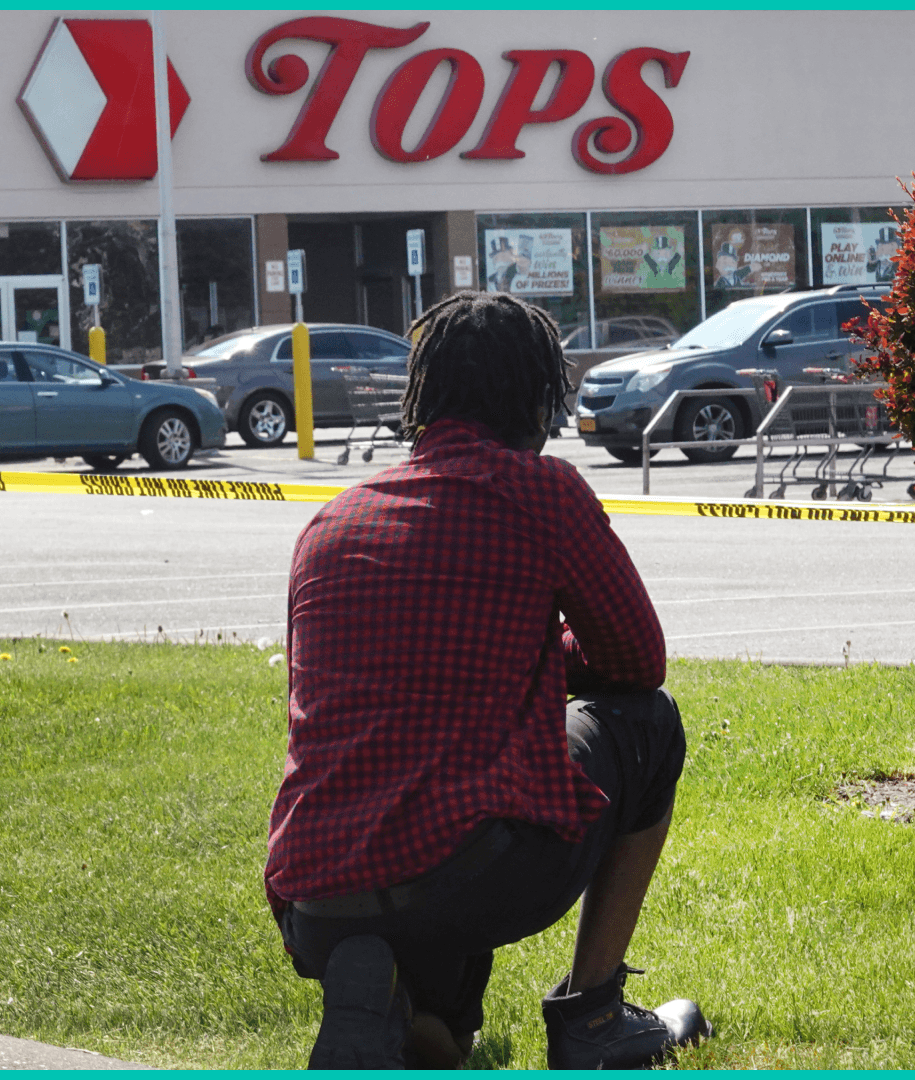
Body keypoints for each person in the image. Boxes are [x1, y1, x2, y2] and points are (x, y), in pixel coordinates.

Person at [265, 290, 711, 1069]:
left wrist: (520, 655)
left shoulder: (333, 520)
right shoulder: (541, 492)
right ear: (539, 397)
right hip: (459, 870)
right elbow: (637, 662)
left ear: (423, 393)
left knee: (448, 1033)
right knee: (648, 722)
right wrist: (545, 654)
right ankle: (594, 1018)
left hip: (314, 894)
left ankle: (407, 1011)